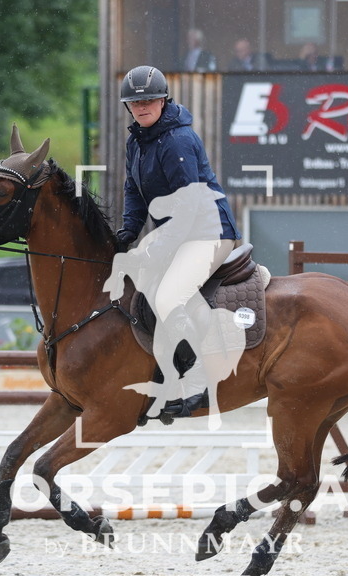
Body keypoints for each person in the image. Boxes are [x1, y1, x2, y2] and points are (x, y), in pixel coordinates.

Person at [114, 65, 242, 420]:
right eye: (135, 102)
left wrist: (156, 245)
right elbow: (133, 190)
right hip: (180, 235)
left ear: (163, 99)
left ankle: (201, 374)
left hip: (209, 234)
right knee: (146, 291)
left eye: (149, 100)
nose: (142, 107)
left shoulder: (177, 140)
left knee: (170, 296)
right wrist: (128, 229)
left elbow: (187, 206)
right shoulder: (137, 141)